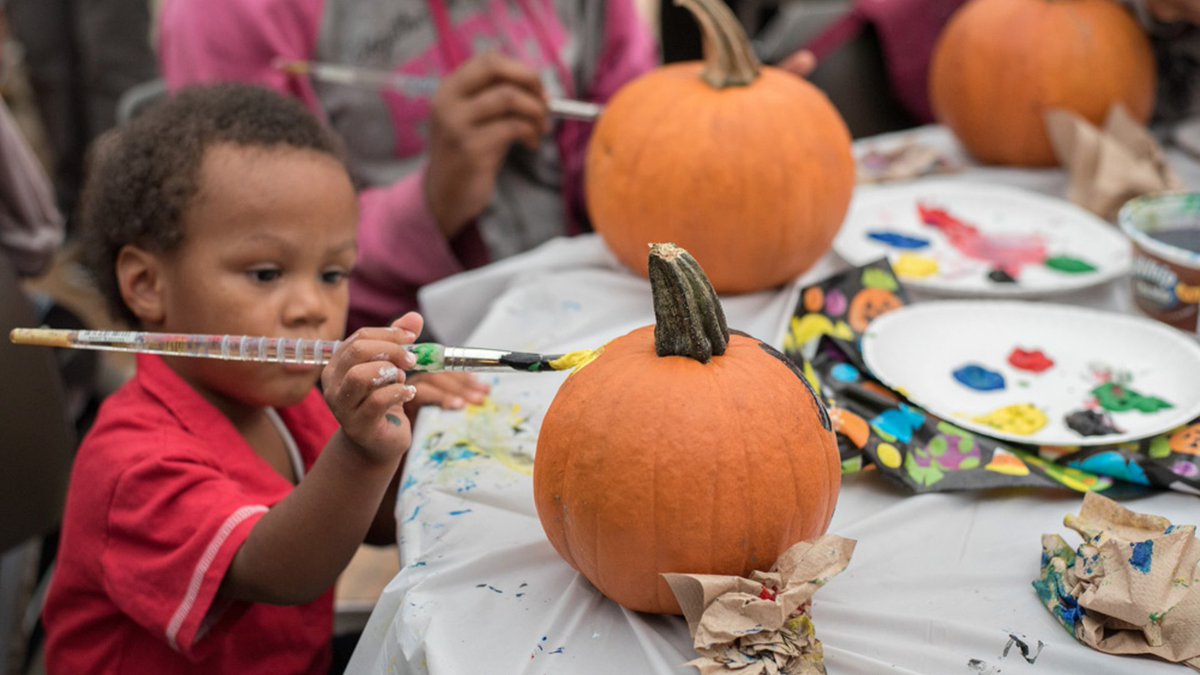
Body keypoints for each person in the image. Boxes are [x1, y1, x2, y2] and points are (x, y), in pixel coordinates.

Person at [40, 83, 445, 673]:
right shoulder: (132, 463)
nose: (311, 307)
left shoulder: (285, 400)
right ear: (147, 285)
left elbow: (371, 527)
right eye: (265, 273)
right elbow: (283, 572)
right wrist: (360, 453)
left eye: (333, 273)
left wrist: (402, 423)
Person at [158, 0, 659, 333]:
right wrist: (433, 201)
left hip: (598, 307)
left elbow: (633, 120)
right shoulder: (229, 15)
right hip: (387, 361)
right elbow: (253, 250)